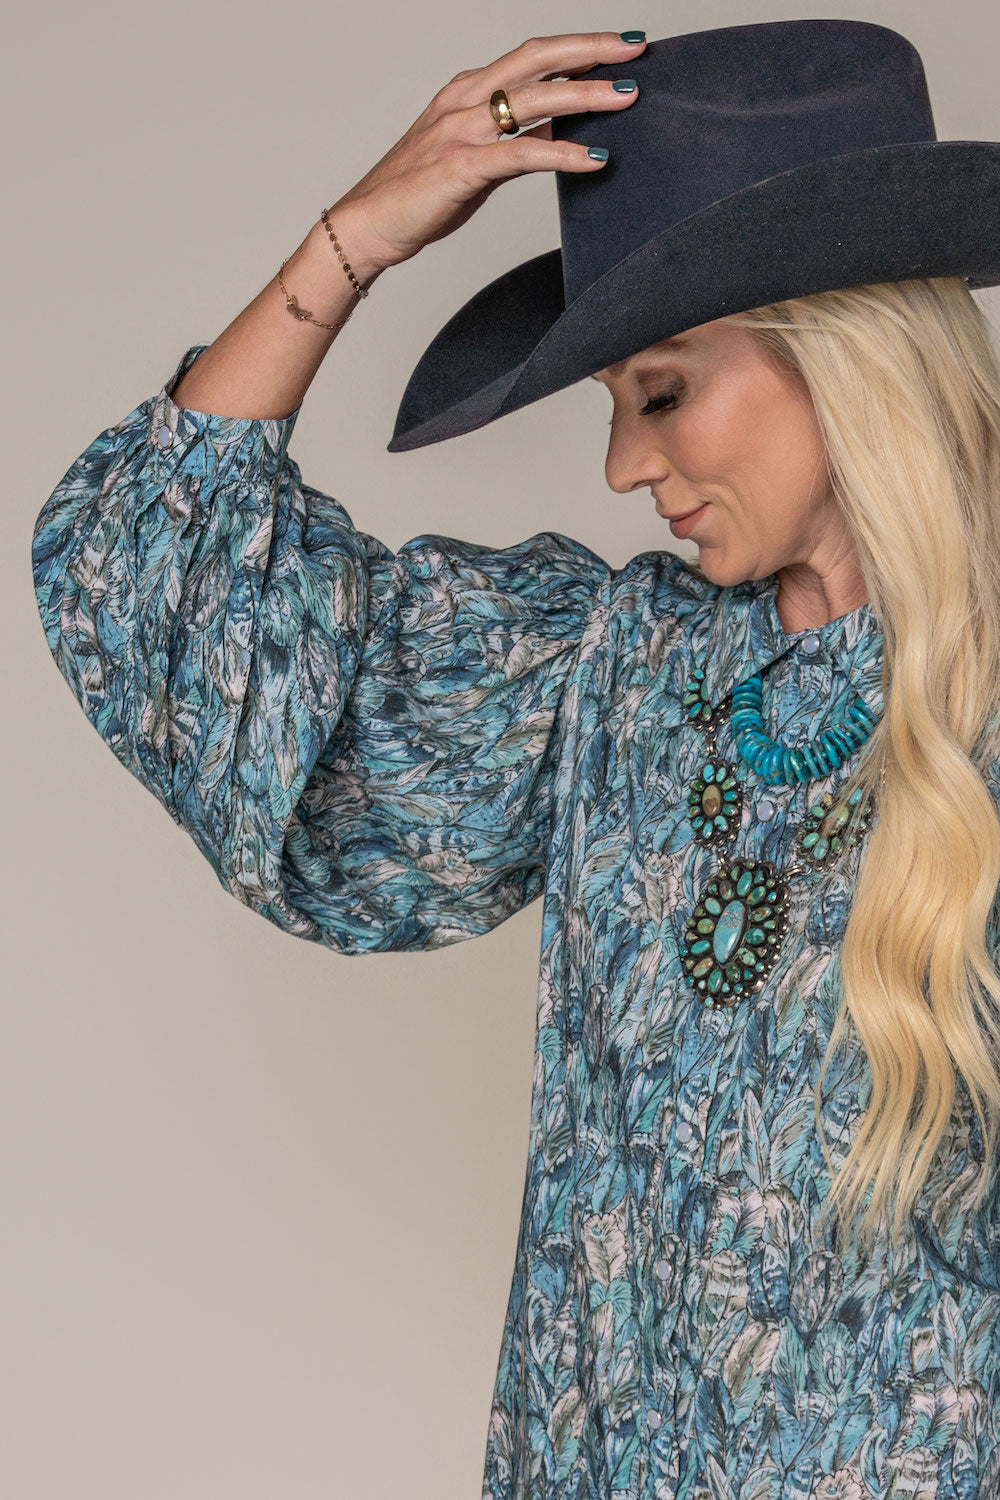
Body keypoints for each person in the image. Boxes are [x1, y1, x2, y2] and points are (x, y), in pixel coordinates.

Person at [30, 19, 1000, 1500]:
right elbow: (158, 596)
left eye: (661, 391)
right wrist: (351, 241)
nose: (622, 465)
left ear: (845, 354)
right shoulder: (610, 673)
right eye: (612, 405)